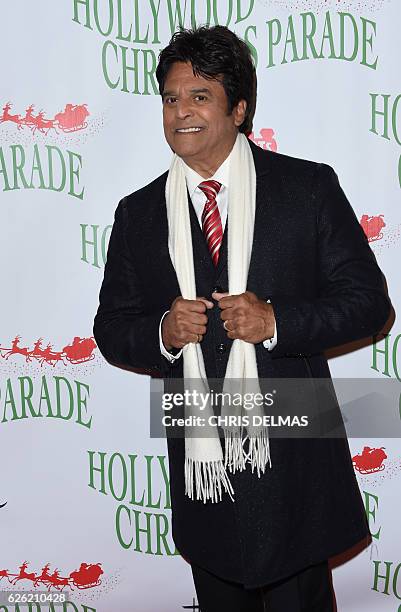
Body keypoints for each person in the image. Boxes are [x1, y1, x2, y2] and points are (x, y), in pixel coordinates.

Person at [93, 25, 391, 612]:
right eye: (171, 98)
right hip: (202, 464)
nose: (181, 113)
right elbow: (111, 328)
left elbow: (369, 303)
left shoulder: (307, 187)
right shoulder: (138, 214)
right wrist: (161, 332)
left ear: (240, 107)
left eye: (200, 96)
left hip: (294, 455)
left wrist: (278, 321)